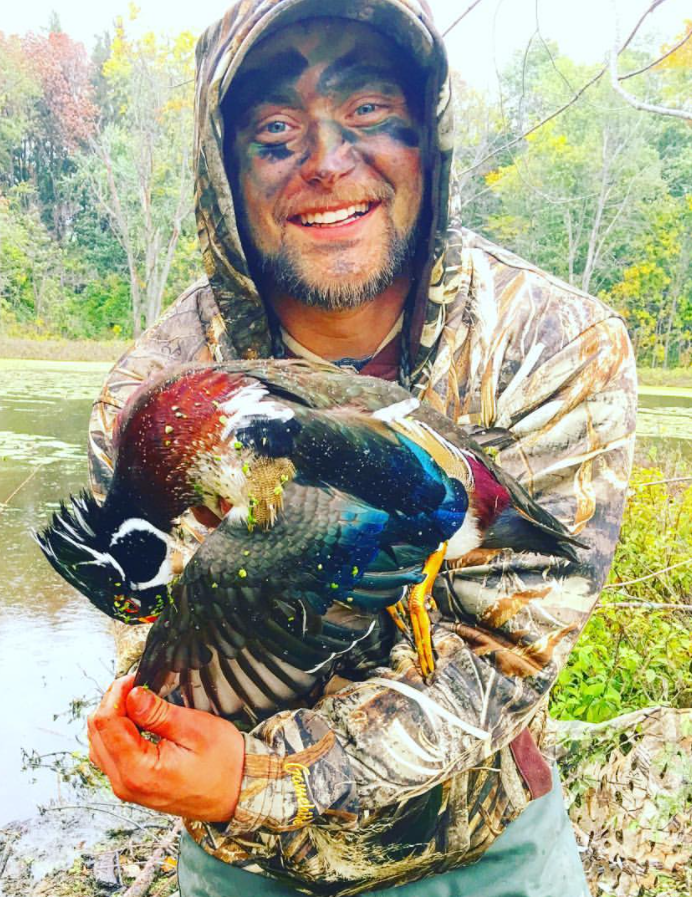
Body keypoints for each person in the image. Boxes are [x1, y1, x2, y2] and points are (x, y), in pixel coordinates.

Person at [84, 1, 636, 894]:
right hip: (245, 871)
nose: (328, 161)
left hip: (479, 858)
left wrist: (261, 778)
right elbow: (169, 644)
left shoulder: (553, 341)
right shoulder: (156, 393)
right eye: (274, 128)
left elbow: (504, 657)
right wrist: (152, 725)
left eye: (370, 112)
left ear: (428, 135)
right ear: (222, 169)